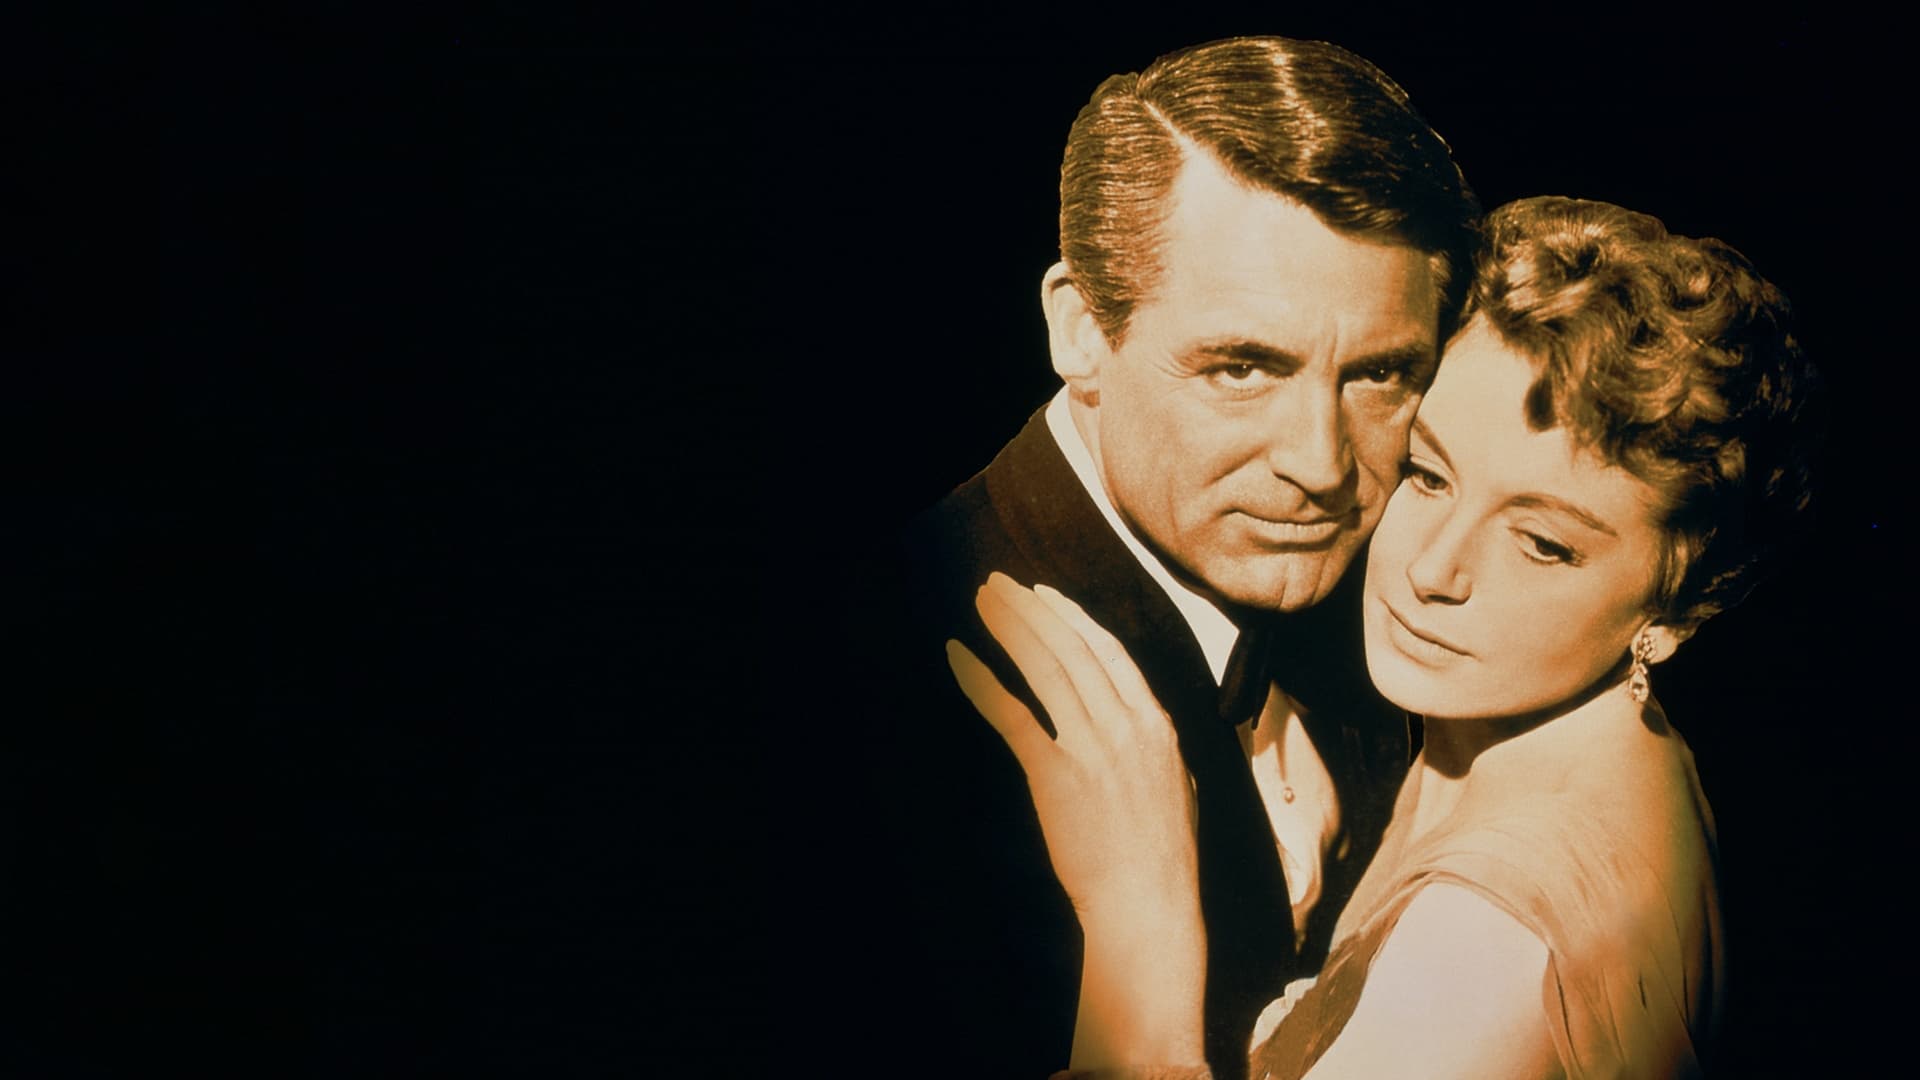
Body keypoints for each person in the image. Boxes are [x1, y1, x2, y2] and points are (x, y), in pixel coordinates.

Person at [952, 195, 1823, 1077]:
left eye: (1542, 543)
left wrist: (1142, 930)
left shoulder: (1477, 944)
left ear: (1673, 616)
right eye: (1429, 474)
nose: (1432, 569)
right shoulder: (1581, 749)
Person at [845, 35, 1479, 1079]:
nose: (1322, 465)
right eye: (1242, 368)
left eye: (1379, 375)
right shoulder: (878, 692)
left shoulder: (1419, 606)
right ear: (1080, 332)